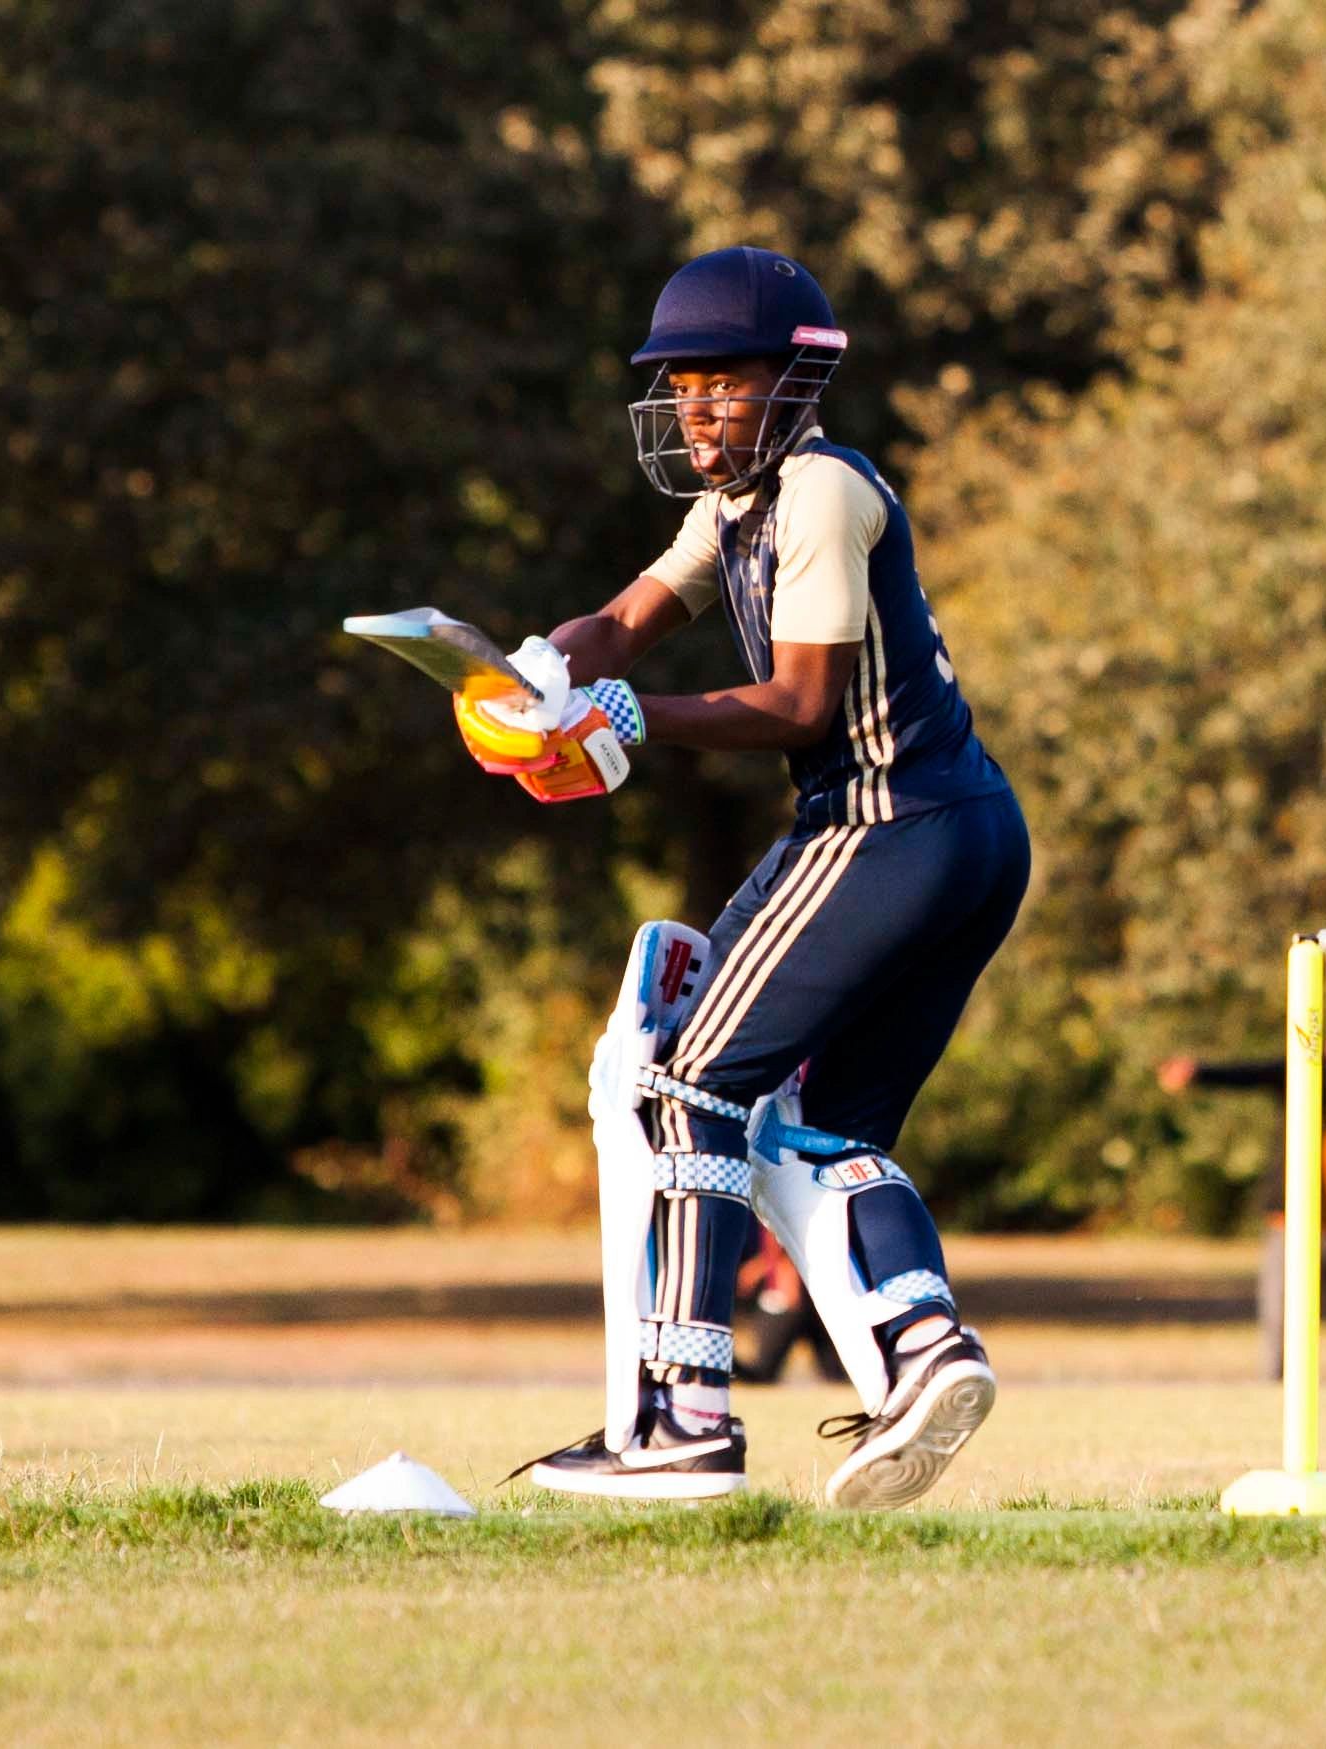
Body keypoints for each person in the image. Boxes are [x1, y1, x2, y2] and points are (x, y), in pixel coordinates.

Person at [465, 246, 1030, 1506]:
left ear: (793, 385)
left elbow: (798, 701)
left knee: (685, 1075)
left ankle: (685, 1417)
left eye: (725, 385)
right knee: (819, 1131)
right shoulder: (731, 506)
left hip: (887, 822)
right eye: (684, 388)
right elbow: (622, 618)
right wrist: (533, 673)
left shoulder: (822, 488)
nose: (698, 412)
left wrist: (627, 716)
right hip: (964, 832)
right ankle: (925, 1349)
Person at [1159, 1020, 1326, 1379]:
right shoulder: (1307, 1074)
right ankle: (1275, 1388)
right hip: (1295, 1225)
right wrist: (1200, 1073)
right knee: (1282, 1316)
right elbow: (1256, 1073)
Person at [732, 1219, 846, 1385]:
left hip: (788, 1298)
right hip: (812, 1299)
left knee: (761, 1373)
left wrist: (759, 1272)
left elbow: (785, 1250)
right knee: (834, 1373)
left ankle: (722, 1365)